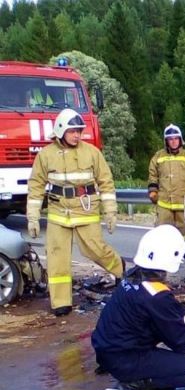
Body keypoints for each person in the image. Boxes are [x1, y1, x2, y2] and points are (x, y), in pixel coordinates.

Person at [92, 225, 185, 390]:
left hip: (111, 352)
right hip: (128, 360)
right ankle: (140, 384)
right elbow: (182, 341)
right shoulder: (155, 296)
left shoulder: (134, 276)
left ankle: (148, 378)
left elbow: (176, 313)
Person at [26, 108, 123, 317]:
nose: (77, 135)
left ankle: (121, 270)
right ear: (61, 130)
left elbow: (106, 182)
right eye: (73, 131)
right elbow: (35, 187)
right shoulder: (46, 155)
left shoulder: (91, 152)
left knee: (94, 250)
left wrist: (110, 212)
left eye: (79, 131)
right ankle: (61, 302)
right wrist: (33, 218)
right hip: (58, 213)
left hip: (85, 209)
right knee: (57, 257)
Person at [147, 124, 185, 260]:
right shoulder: (158, 156)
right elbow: (152, 175)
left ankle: (181, 251)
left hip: (182, 200)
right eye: (170, 139)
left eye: (175, 138)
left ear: (180, 139)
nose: (173, 141)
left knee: (182, 229)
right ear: (166, 141)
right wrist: (153, 191)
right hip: (164, 200)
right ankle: (161, 252)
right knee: (161, 228)